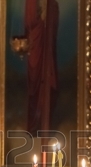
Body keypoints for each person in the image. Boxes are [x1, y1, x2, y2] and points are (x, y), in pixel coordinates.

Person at [24, 0, 59, 134]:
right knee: (35, 85)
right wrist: (41, 20)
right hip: (35, 43)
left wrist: (49, 14)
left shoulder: (53, 4)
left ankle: (46, 124)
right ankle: (35, 124)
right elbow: (29, 21)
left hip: (47, 44)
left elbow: (54, 15)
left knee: (49, 84)